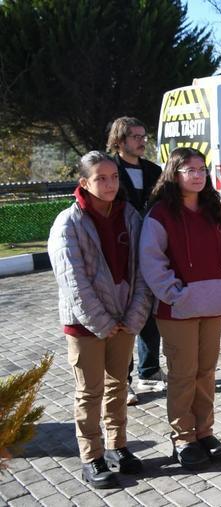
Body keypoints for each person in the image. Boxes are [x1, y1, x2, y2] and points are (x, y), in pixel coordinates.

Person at [48, 151, 152, 489]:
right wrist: (103, 323)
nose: (109, 184)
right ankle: (92, 456)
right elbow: (73, 280)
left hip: (124, 320)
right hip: (86, 325)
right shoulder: (69, 222)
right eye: (101, 178)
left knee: (117, 387)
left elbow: (142, 272)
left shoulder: (130, 217)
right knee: (89, 391)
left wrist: (133, 316)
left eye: (114, 177)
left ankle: (118, 447)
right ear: (84, 183)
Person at [140, 147, 221, 470]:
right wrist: (175, 294)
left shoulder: (216, 210)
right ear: (174, 174)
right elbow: (152, 261)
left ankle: (204, 431)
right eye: (190, 170)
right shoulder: (160, 214)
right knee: (183, 375)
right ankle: (183, 438)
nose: (198, 175)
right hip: (177, 310)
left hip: (214, 306)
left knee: (206, 373)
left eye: (202, 169)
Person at [105, 116, 165, 405]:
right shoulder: (108, 171)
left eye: (144, 136)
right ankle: (122, 380)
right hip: (120, 252)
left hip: (151, 251)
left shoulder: (154, 170)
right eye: (136, 137)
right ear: (120, 141)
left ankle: (150, 371)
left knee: (150, 313)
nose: (142, 141)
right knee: (124, 316)